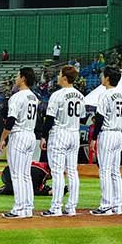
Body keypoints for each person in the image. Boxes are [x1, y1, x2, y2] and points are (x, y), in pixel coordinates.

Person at [39, 65, 84, 217]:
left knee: (57, 172)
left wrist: (44, 136)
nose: (57, 77)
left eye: (59, 74)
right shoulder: (80, 95)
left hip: (59, 134)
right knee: (72, 171)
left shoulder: (57, 95)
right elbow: (82, 116)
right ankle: (71, 207)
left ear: (65, 78)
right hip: (74, 133)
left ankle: (56, 207)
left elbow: (50, 119)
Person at [0, 67, 39, 219]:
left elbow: (11, 121)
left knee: (16, 174)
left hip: (19, 135)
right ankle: (28, 207)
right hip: (30, 135)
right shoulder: (34, 97)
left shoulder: (16, 97)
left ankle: (19, 208)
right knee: (25, 174)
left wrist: (3, 138)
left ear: (23, 78)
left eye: (17, 76)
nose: (16, 78)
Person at [90, 67, 122, 215]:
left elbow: (99, 118)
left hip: (107, 133)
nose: (101, 77)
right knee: (115, 172)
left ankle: (106, 205)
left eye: (103, 75)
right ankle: (117, 204)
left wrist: (94, 137)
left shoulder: (105, 95)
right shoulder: (121, 95)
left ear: (107, 78)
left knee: (104, 171)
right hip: (118, 133)